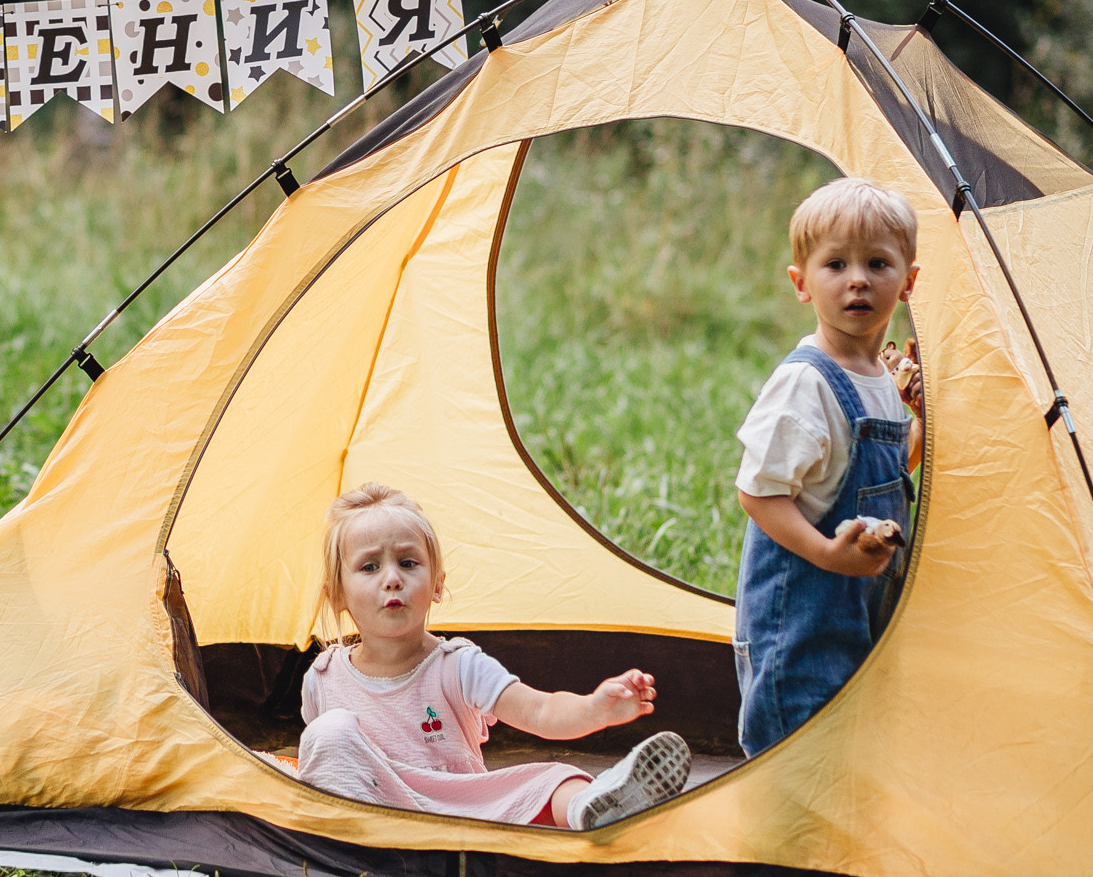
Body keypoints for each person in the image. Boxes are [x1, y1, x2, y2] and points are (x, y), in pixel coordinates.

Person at [292, 483, 692, 829]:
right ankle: (343, 841)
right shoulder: (323, 680)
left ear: (436, 584)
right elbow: (327, 764)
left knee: (552, 779)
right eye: (370, 566)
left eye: (408, 562)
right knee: (329, 734)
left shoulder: (459, 665)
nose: (392, 577)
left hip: (464, 814)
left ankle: (594, 808)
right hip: (373, 815)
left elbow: (539, 712)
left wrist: (595, 709)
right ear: (338, 595)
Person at [733, 177, 926, 758]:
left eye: (878, 263)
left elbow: (883, 465)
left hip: (862, 615)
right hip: (799, 627)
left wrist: (919, 423)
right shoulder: (805, 383)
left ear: (909, 282)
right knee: (794, 759)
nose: (858, 279)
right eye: (836, 264)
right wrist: (825, 553)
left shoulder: (885, 379)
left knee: (848, 759)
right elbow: (758, 494)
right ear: (801, 284)